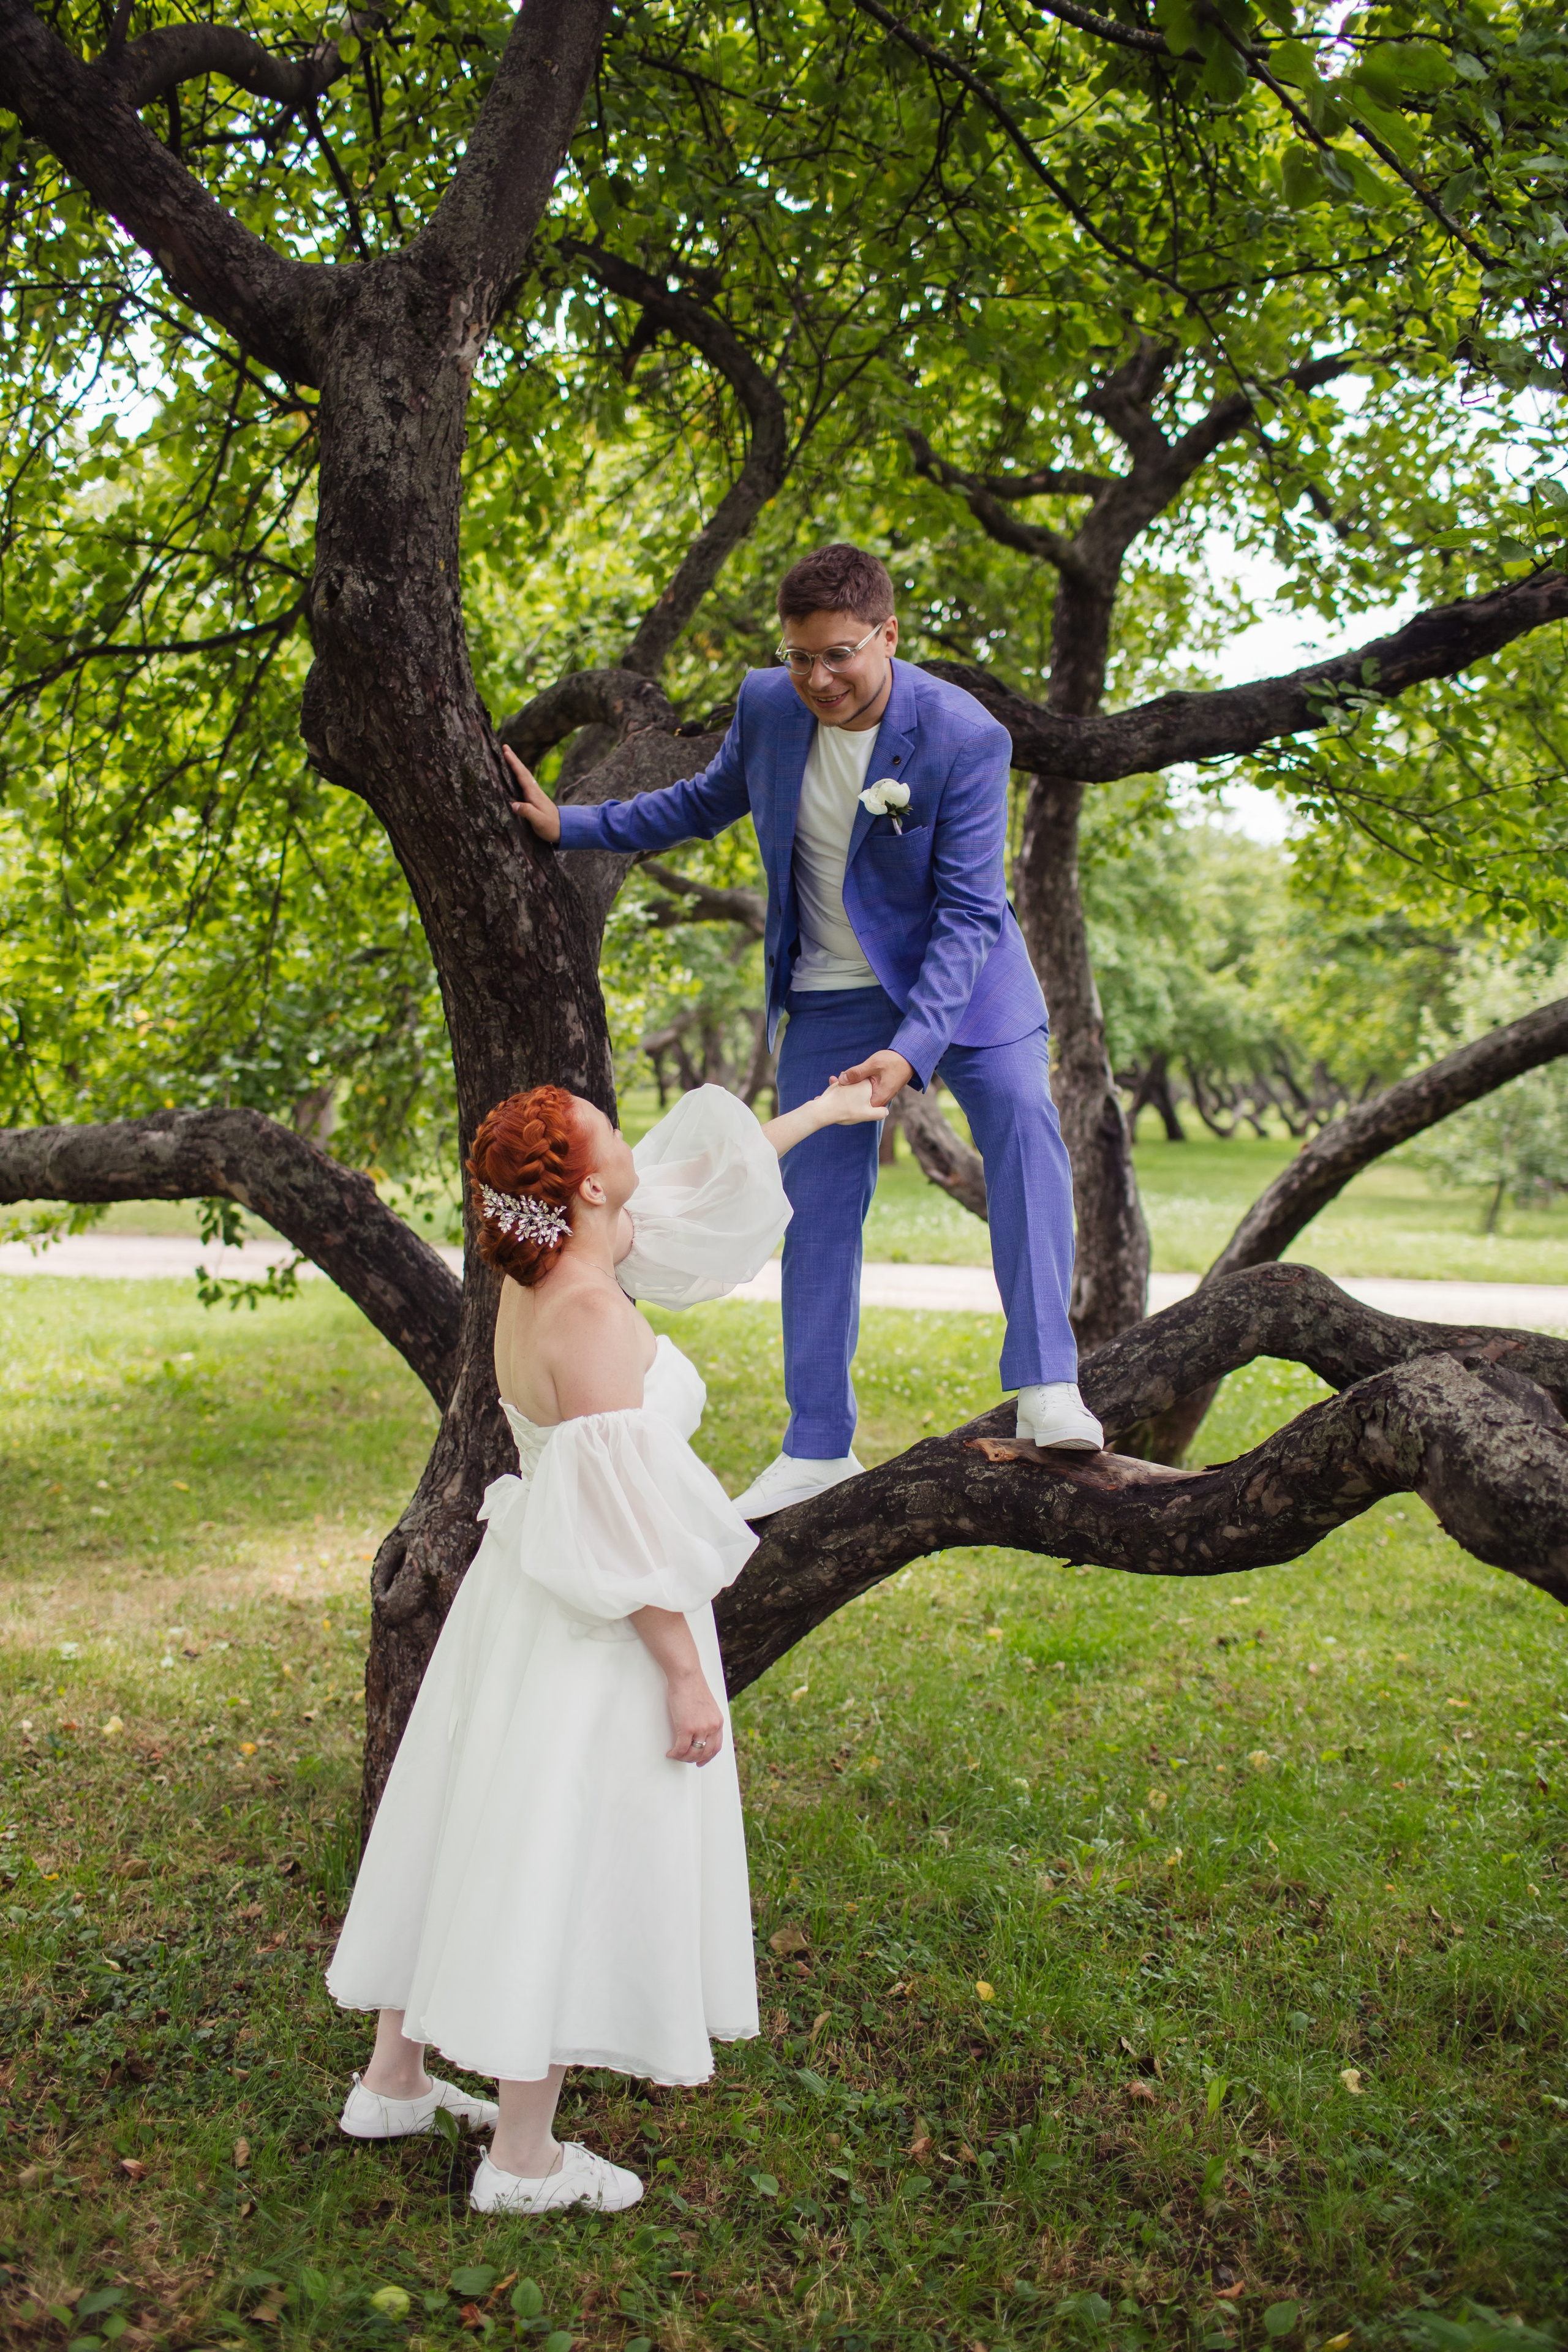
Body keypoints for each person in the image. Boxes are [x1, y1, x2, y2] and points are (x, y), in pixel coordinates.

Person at [325, 1075, 884, 2214]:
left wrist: (823, 1115)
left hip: (518, 1602)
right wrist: (686, 1673)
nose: (634, 1143)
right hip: (586, 1619)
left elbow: (704, 1178)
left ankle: (395, 2076)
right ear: (584, 1183)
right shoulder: (583, 1312)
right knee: (559, 1857)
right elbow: (622, 1530)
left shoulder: (562, 1262)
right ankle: (523, 2158)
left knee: (467, 1823)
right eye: (611, 1133)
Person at [507, 540, 1102, 1520]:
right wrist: (571, 824)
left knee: (1026, 1129)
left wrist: (913, 1052)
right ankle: (819, 1442)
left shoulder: (963, 736)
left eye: (838, 656)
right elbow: (700, 802)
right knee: (816, 1204)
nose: (816, 678)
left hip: (969, 991)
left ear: (888, 638)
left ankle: (1048, 1386)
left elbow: (964, 917)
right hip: (830, 994)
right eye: (798, 656)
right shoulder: (770, 706)